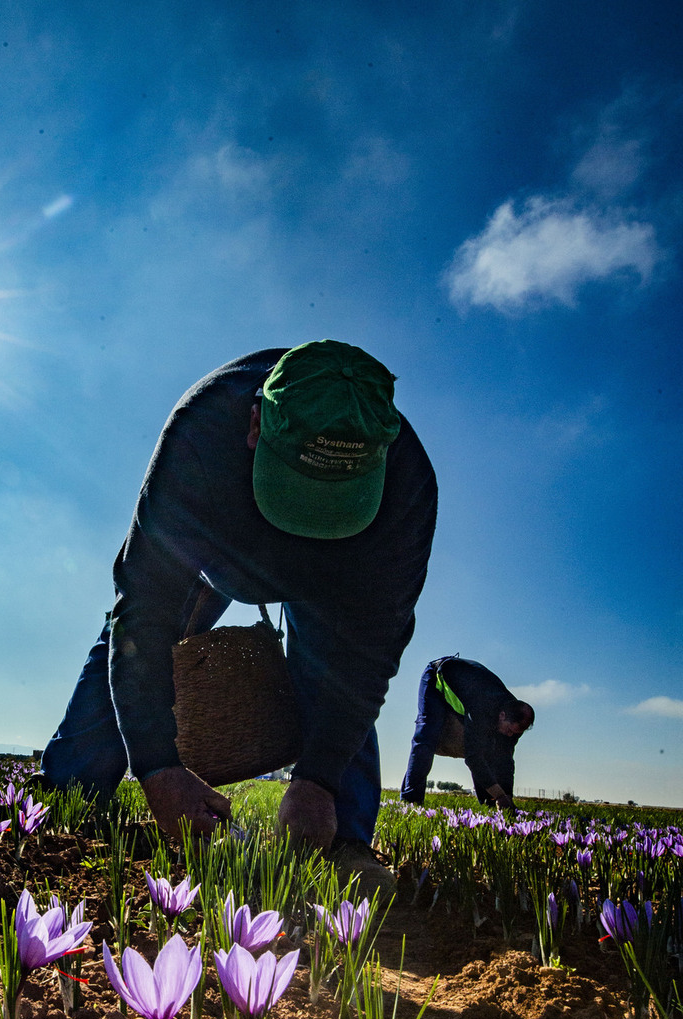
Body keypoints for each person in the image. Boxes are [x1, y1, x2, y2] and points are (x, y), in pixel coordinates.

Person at [41, 339, 438, 892]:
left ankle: (342, 838)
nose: (303, 525)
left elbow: (369, 651)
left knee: (334, 675)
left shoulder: (409, 486)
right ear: (255, 424)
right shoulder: (201, 433)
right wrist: (157, 768)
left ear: (381, 455)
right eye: (300, 491)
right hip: (217, 554)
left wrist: (318, 778)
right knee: (127, 645)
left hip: (336, 578)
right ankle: (69, 806)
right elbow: (144, 611)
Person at [399, 657, 535, 809]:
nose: (510, 735)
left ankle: (490, 804)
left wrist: (507, 795)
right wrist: (500, 795)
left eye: (515, 733)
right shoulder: (482, 708)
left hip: (466, 691)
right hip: (438, 677)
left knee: (491, 749)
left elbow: (505, 761)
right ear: (502, 715)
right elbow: (473, 757)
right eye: (509, 730)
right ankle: (411, 801)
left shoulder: (514, 720)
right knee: (426, 737)